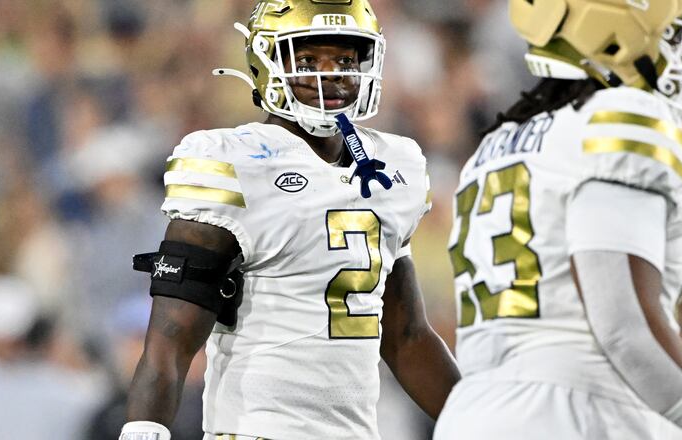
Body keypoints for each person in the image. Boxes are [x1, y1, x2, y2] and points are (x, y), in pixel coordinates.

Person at [118, 1, 460, 439]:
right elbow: (170, 340)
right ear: (267, 63)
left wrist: (484, 422)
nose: (330, 73)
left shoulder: (395, 165)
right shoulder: (232, 160)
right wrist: (145, 429)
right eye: (308, 60)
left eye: (344, 60)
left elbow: (406, 338)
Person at [433, 1, 682, 439]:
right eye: (672, 34)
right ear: (616, 30)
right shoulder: (622, 117)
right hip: (575, 412)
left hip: (470, 416)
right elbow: (624, 329)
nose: (681, 54)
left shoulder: (497, 144)